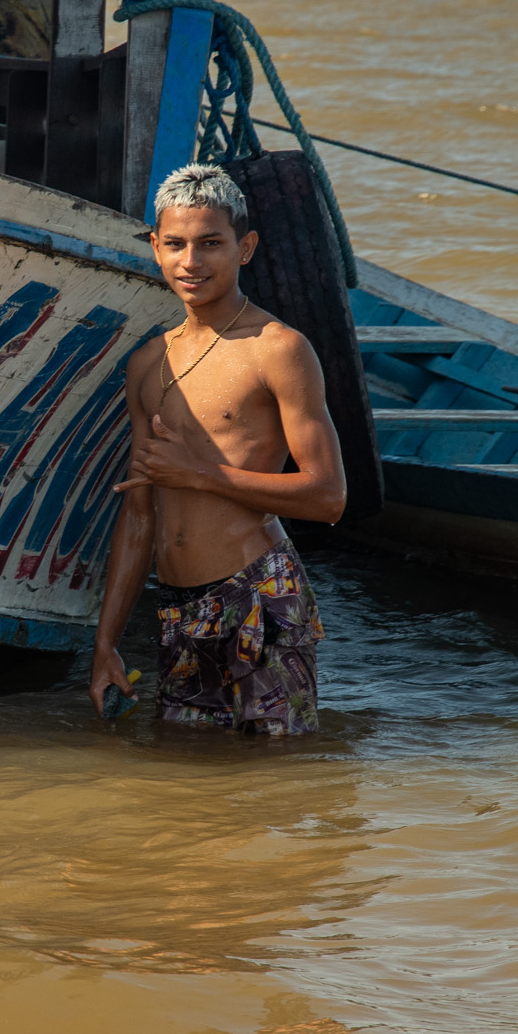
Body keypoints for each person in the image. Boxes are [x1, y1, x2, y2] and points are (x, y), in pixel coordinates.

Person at [88, 163, 347, 734]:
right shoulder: (148, 363)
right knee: (189, 772)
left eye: (210, 243)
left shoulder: (277, 349)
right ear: (155, 248)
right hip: (180, 607)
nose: (191, 262)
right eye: (175, 244)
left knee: (281, 769)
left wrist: (201, 473)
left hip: (258, 592)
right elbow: (139, 513)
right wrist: (106, 643)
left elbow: (328, 497)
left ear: (244, 247)